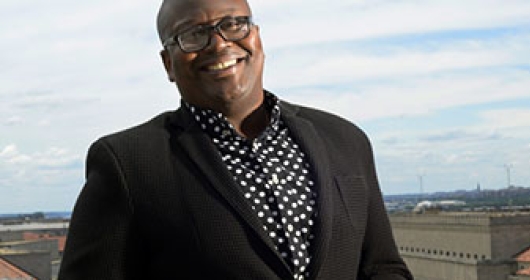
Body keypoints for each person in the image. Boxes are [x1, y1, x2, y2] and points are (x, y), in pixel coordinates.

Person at [58, 0, 412, 279]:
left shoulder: (344, 139)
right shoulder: (128, 163)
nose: (219, 44)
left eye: (232, 24)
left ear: (256, 35)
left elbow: (382, 267)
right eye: (193, 34)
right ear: (168, 63)